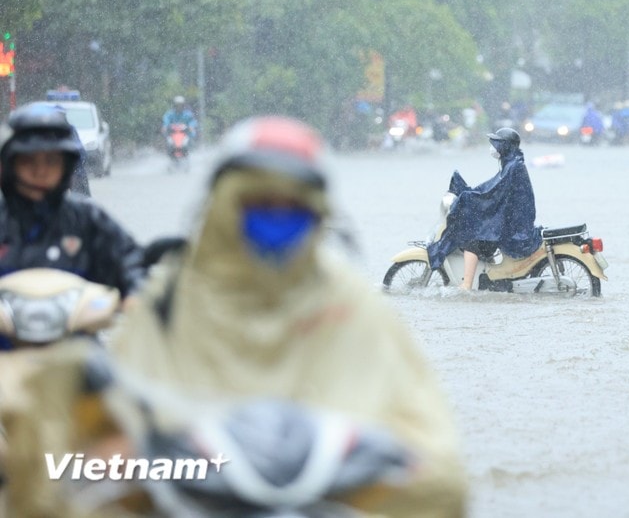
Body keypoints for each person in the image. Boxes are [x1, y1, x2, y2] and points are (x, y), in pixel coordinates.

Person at [1, 115, 467, 517]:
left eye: (292, 206)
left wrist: (376, 466)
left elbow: (432, 455)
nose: (276, 216)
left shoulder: (348, 301)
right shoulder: (172, 300)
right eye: (259, 203)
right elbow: (114, 433)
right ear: (224, 204)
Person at [0, 105, 144, 317]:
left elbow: (131, 262)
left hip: (76, 345)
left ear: (66, 166)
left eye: (51, 161)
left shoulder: (87, 218)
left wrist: (137, 294)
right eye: (29, 161)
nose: (40, 171)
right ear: (11, 165)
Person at [427, 127, 542, 290]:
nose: (493, 148)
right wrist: (471, 191)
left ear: (505, 146)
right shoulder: (511, 163)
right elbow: (491, 187)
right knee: (478, 230)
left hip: (514, 227)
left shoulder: (513, 167)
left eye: (496, 143)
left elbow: (493, 192)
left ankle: (466, 284)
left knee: (471, 242)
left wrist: (468, 197)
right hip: (511, 220)